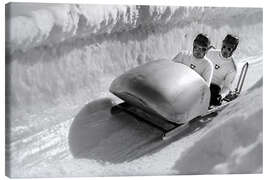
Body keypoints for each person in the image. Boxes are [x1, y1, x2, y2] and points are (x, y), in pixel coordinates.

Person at [206, 34, 239, 106]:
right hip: (203, 81)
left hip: (215, 88)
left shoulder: (232, 68)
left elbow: (227, 87)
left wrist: (221, 96)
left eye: (229, 49)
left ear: (233, 50)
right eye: (224, 47)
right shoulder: (211, 53)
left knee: (212, 94)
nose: (225, 50)